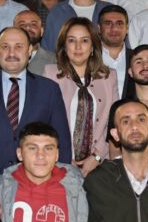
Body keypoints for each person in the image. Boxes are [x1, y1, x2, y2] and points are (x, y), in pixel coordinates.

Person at [0, 26, 71, 186]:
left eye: (18, 47)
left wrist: (58, 186)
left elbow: (62, 143)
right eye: (5, 47)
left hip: (38, 186)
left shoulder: (49, 90)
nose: (11, 53)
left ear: (29, 50)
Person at [44, 17, 119, 175]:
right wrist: (63, 157)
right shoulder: (50, 74)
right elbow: (45, 122)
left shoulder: (108, 76)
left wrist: (97, 156)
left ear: (92, 46)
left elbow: (113, 123)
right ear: (64, 46)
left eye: (84, 40)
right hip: (58, 162)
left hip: (99, 163)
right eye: (71, 40)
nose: (78, 47)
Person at [0, 10, 57, 77]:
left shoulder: (54, 60)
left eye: (33, 24)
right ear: (14, 29)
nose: (28, 27)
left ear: (41, 31)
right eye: (22, 24)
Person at [97, 4, 133, 98]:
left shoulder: (137, 58)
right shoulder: (88, 58)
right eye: (108, 23)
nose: (114, 28)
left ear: (127, 28)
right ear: (99, 28)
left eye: (119, 23)